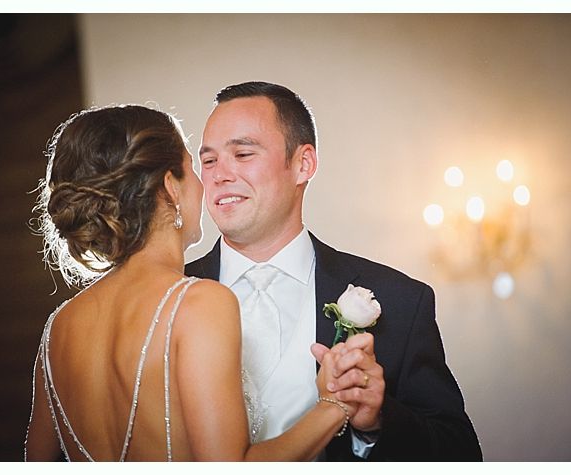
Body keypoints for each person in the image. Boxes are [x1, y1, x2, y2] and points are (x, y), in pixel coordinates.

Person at [25, 105, 354, 461]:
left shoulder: (58, 326)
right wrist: (333, 406)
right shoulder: (198, 302)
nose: (206, 182)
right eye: (195, 168)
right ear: (171, 188)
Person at [185, 81, 482, 461]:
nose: (218, 175)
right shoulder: (169, 296)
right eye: (208, 161)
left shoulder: (399, 299)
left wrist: (375, 421)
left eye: (242, 153)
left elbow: (460, 455)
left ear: (303, 164)